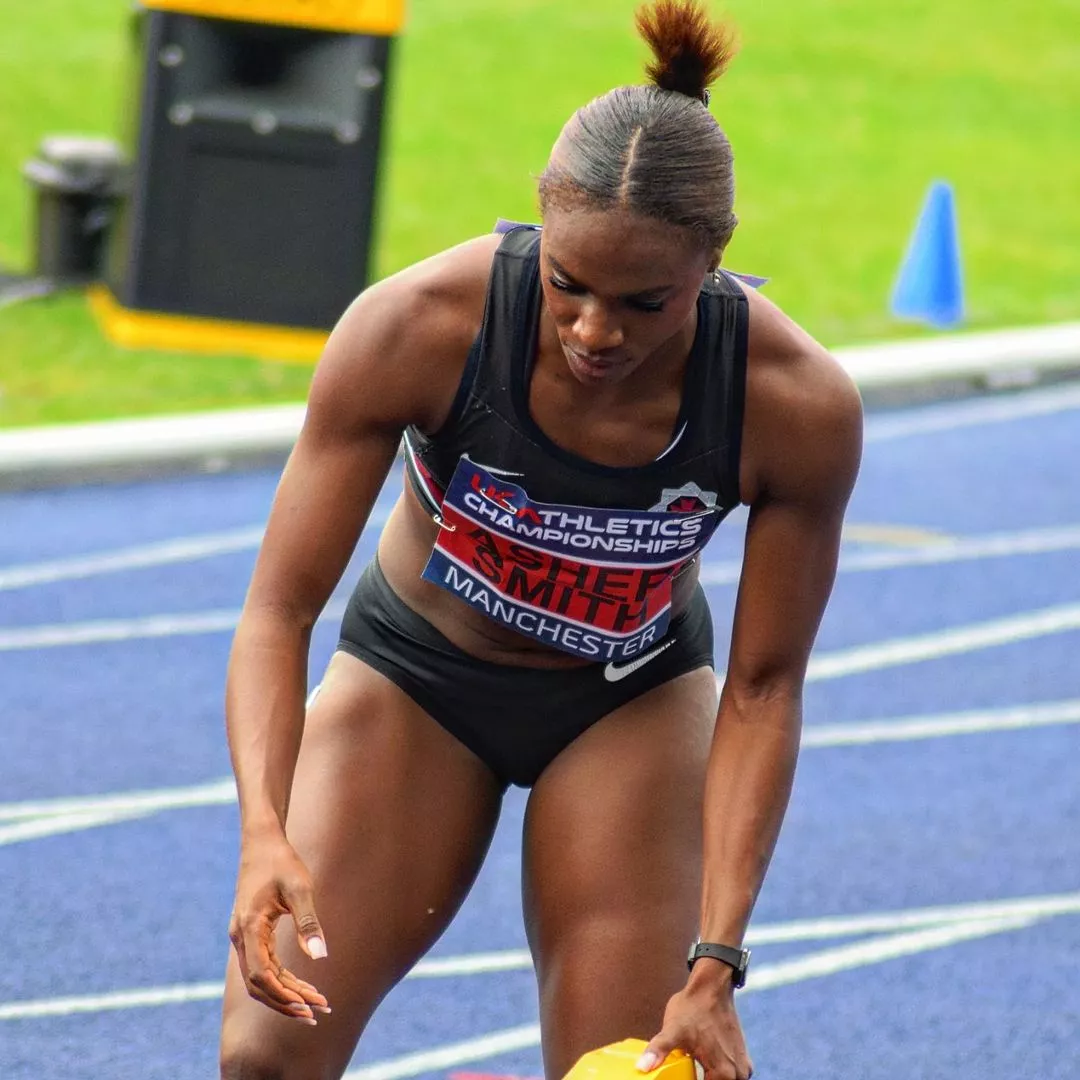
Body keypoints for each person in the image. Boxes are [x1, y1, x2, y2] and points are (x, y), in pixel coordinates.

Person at [218, 1, 862, 1078]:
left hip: (625, 703)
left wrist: (717, 962)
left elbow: (763, 690)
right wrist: (263, 832)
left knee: (628, 1070)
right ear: (537, 230)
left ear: (717, 264)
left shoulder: (792, 405)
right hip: (413, 679)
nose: (594, 331)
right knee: (266, 1056)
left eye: (644, 302)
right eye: (567, 285)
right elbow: (278, 611)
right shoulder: (417, 326)